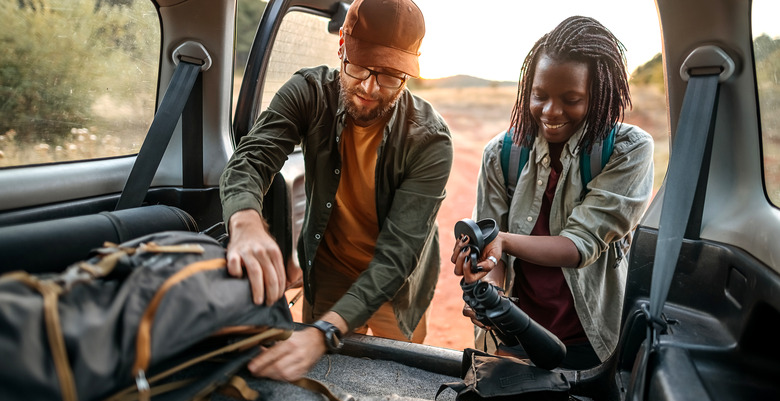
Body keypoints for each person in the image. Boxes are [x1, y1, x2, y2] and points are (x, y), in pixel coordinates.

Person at [220, 0, 453, 381]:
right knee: (320, 376)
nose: (369, 88)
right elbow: (252, 158)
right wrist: (245, 223)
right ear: (342, 44)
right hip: (328, 269)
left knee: (400, 380)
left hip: (396, 285)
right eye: (359, 66)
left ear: (410, 71)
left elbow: (398, 255)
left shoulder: (431, 140)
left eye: (390, 75)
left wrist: (324, 332)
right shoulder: (308, 92)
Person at [451, 16, 654, 370]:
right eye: (539, 96)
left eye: (571, 99)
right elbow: (491, 251)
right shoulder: (501, 154)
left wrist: (504, 241)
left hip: (592, 343)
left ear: (598, 96)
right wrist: (488, 286)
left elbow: (580, 244)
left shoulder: (628, 150)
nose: (551, 111)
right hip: (515, 340)